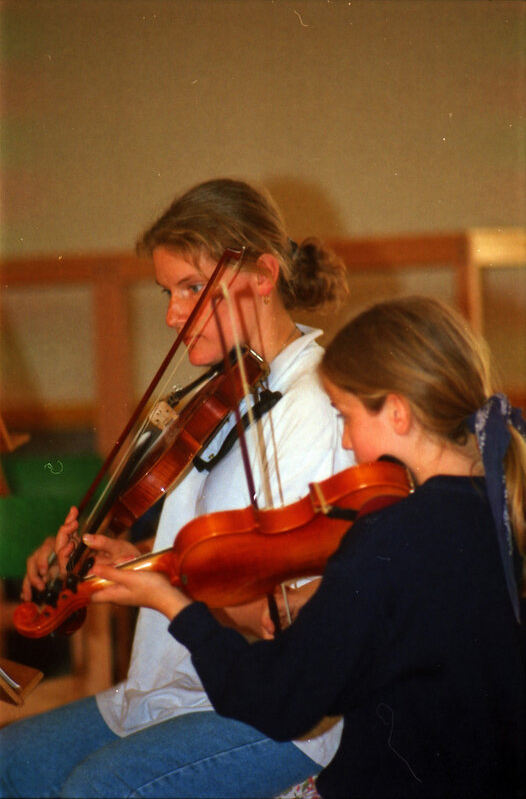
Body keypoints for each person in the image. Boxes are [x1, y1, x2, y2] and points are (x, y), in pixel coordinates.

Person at [80, 296, 525, 798]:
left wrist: (173, 605)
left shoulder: (391, 535)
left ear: (397, 413)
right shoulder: (499, 513)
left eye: (346, 415)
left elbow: (279, 702)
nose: (349, 443)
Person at [0, 178, 355, 798]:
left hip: (273, 710)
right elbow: (196, 555)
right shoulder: (222, 396)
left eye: (193, 289)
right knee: (9, 761)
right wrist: (130, 562)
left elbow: (287, 613)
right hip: (177, 684)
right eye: (168, 292)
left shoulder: (316, 406)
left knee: (96, 789)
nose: (172, 315)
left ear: (263, 275)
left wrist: (155, 582)